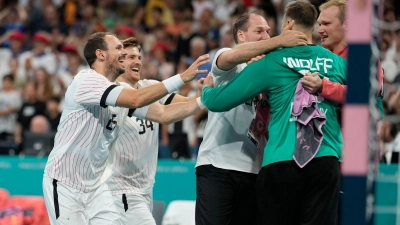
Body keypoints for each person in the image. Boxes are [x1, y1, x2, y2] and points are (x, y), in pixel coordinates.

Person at [200, 1, 346, 224]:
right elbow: (368, 95)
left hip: (281, 161)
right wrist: (328, 88)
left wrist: (207, 89)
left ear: (288, 23)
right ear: (314, 27)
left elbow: (218, 102)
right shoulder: (338, 63)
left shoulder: (270, 62)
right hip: (325, 161)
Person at [42, 32, 210, 225]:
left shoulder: (121, 92)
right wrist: (182, 78)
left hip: (97, 187)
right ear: (101, 54)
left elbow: (164, 114)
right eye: (119, 49)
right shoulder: (86, 81)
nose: (124, 53)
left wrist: (206, 98)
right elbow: (136, 99)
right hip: (65, 183)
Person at [194, 9, 308, 225]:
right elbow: (234, 56)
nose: (266, 36)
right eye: (259, 31)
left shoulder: (273, 72)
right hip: (218, 165)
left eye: (268, 31)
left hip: (256, 170)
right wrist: (279, 41)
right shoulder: (229, 61)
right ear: (241, 36)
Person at [106, 37, 206, 225]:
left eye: (138, 56)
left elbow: (185, 104)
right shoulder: (115, 92)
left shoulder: (149, 86)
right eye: (129, 57)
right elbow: (164, 115)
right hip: (120, 188)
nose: (136, 61)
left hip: (144, 188)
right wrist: (185, 79)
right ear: (118, 61)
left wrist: (202, 93)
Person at [301, 0, 384, 108]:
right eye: (320, 24)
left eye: (326, 23)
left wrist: (323, 86)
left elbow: (362, 93)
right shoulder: (318, 56)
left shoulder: (363, 55)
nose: (320, 30)